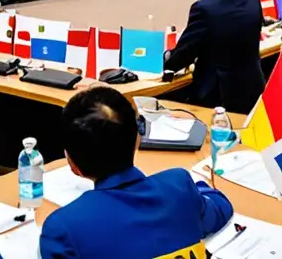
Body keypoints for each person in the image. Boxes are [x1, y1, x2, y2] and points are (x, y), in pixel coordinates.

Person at [38, 86, 232, 259]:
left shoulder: (63, 229)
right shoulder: (179, 185)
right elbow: (222, 208)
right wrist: (199, 189)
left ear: (72, 163)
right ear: (138, 139)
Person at [164, 0, 264, 113]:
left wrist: (168, 58)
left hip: (220, 100)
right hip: (254, 92)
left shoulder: (203, 9)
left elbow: (182, 56)